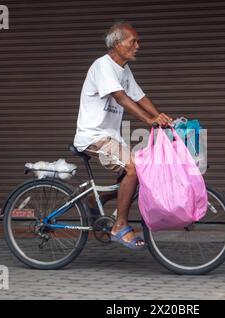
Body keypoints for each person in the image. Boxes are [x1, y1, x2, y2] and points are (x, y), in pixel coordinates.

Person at [73, 21, 173, 249]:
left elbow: (139, 97)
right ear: (117, 43)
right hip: (93, 137)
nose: (138, 46)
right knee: (133, 168)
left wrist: (162, 118)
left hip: (110, 138)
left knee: (142, 171)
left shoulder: (123, 70)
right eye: (133, 41)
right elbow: (121, 97)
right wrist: (149, 121)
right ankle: (119, 226)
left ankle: (95, 199)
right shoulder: (103, 66)